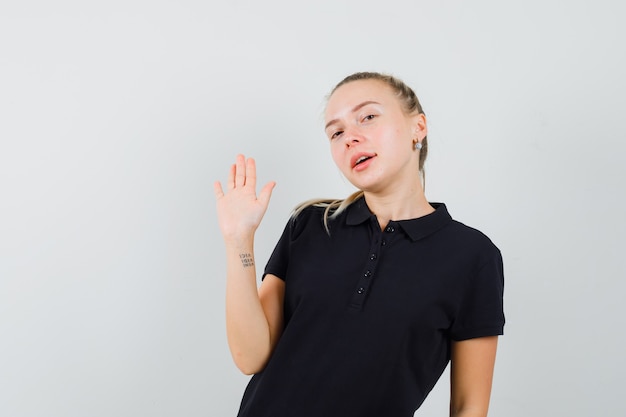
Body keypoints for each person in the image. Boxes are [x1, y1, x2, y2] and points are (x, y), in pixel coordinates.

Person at [213, 72, 505, 417]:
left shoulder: (473, 256)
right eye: (336, 132)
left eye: (368, 117)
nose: (350, 137)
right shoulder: (309, 224)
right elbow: (250, 356)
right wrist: (238, 240)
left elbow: (468, 405)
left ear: (418, 127)